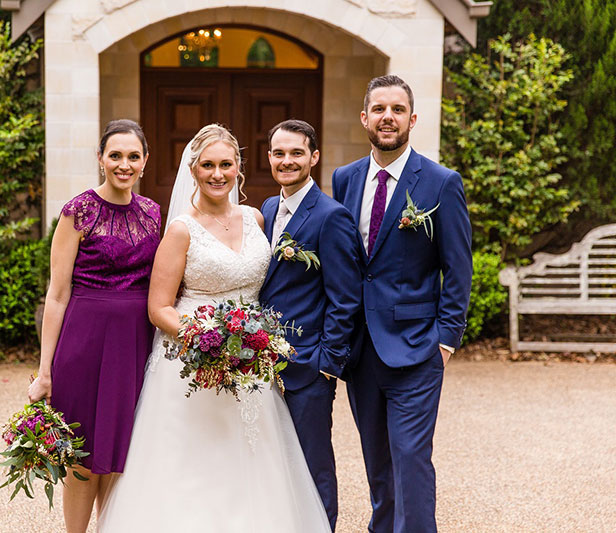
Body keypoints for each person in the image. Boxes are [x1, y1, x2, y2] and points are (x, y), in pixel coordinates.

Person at [96, 124, 332, 532]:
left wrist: (247, 343)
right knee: (193, 467)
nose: (217, 173)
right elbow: (159, 308)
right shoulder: (181, 230)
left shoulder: (257, 218)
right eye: (208, 165)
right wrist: (210, 341)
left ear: (239, 168)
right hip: (192, 361)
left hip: (251, 361)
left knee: (251, 465)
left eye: (226, 164)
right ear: (194, 169)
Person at [331, 75, 473, 533]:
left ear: (412, 119)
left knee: (410, 459)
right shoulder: (345, 178)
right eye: (378, 109)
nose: (387, 117)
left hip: (417, 347)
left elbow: (459, 267)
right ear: (364, 118)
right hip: (361, 348)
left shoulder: (440, 183)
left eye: (397, 109)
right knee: (377, 460)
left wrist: (445, 341)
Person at [26, 119, 161, 532]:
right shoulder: (77, 211)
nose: (124, 164)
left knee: (119, 452)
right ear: (100, 158)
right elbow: (57, 293)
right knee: (83, 457)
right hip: (84, 341)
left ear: (144, 161)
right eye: (115, 155)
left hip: (134, 343)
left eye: (132, 156)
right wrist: (45, 370)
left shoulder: (154, 213)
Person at [258, 119, 363, 531]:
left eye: (297, 153)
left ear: (314, 157)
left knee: (313, 463)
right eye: (279, 153)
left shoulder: (331, 216)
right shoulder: (268, 209)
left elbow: (346, 296)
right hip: (262, 365)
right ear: (269, 158)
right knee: (274, 460)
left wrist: (327, 363)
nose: (287, 161)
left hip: (307, 367)